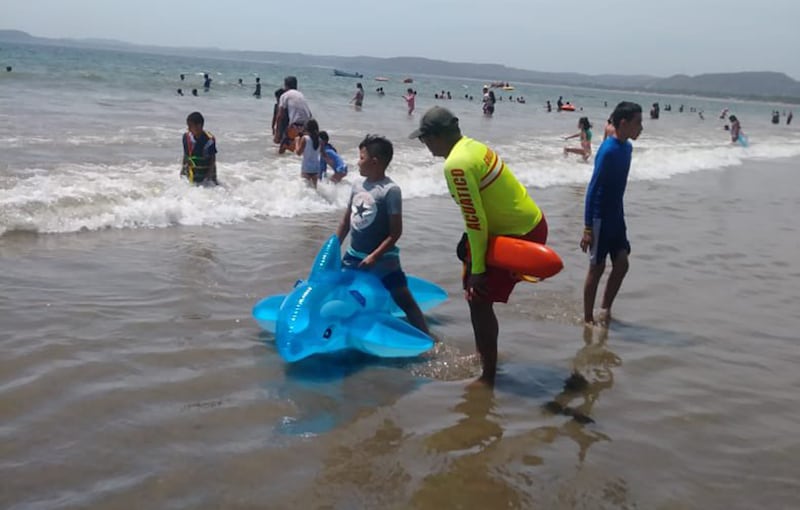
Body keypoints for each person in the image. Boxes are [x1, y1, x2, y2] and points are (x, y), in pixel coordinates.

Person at [410, 106, 548, 386]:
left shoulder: (456, 164)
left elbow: (475, 221)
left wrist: (478, 268)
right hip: (526, 223)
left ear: (436, 137)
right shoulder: (472, 147)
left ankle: (488, 377)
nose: (424, 145)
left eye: (424, 138)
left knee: (479, 298)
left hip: (518, 235)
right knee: (474, 294)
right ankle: (482, 354)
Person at [335, 135, 430, 335]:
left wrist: (374, 257)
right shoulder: (356, 185)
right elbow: (346, 222)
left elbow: (396, 232)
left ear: (374, 162)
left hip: (384, 260)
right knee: (340, 292)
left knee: (404, 299)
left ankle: (427, 338)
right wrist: (334, 247)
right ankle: (344, 331)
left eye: (361, 157)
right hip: (353, 256)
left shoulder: (390, 191)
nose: (357, 162)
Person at [580, 101, 643, 326]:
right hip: (600, 218)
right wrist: (588, 227)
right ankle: (588, 318)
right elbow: (593, 188)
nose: (641, 128)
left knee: (622, 264)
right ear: (624, 123)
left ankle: (605, 309)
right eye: (638, 123)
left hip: (617, 217)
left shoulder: (626, 147)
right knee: (596, 269)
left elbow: (610, 128)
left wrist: (610, 128)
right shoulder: (608, 151)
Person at [273, 76, 313, 154]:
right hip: (307, 126)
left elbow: (280, 115)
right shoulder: (301, 95)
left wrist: (277, 134)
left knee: (283, 148)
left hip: (295, 125)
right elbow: (310, 114)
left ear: (285, 85)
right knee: (300, 150)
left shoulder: (284, 95)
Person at [181, 111, 218, 186]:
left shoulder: (209, 140)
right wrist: (182, 172)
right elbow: (185, 156)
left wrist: (210, 177)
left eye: (190, 126)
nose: (188, 129)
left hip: (205, 175)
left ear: (199, 126)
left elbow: (212, 160)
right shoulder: (186, 137)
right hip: (191, 173)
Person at [295, 118, 322, 188]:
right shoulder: (319, 140)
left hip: (306, 167)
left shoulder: (305, 138)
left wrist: (297, 141)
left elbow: (298, 153)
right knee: (314, 188)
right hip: (316, 167)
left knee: (305, 189)